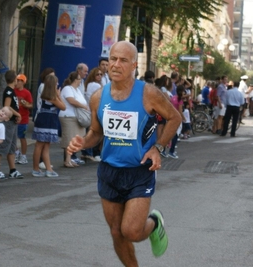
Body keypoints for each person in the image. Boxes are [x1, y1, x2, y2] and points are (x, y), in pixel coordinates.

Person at [67, 41, 181, 266]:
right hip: (109, 170)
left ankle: (154, 223)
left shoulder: (148, 94)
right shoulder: (98, 97)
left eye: (123, 60)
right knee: (116, 233)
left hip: (140, 169)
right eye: (113, 59)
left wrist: (157, 147)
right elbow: (96, 133)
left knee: (130, 231)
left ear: (133, 65)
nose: (116, 64)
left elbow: (175, 117)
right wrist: (83, 142)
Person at [31, 75, 66, 177]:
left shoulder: (45, 95)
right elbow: (63, 107)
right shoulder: (52, 97)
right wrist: (59, 95)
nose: (57, 85)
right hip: (47, 121)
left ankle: (48, 169)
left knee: (45, 145)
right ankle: (36, 168)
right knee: (40, 145)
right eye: (56, 83)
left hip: (45, 119)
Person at [58, 71, 88, 167]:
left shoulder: (77, 90)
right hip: (68, 116)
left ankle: (71, 159)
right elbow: (71, 100)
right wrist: (84, 107)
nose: (81, 81)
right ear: (76, 80)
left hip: (76, 117)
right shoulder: (67, 88)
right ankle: (67, 160)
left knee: (75, 139)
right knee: (69, 139)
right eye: (80, 79)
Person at [0, 70, 23, 179]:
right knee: (3, 145)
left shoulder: (13, 91)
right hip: (8, 123)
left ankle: (12, 169)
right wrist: (17, 114)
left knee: (12, 146)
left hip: (12, 122)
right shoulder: (8, 92)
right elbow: (7, 107)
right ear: (14, 79)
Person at [35, 68, 55, 170]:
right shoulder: (43, 86)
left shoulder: (48, 87)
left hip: (48, 116)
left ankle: (44, 162)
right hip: (43, 115)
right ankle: (39, 163)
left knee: (46, 143)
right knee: (41, 142)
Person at [81, 67, 103, 162]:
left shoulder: (88, 84)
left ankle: (87, 152)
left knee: (89, 132)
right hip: (95, 111)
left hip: (90, 111)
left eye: (101, 74)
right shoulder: (95, 85)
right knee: (95, 133)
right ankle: (92, 153)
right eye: (97, 74)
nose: (99, 76)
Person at [14, 74, 33, 165]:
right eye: (16, 80)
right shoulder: (13, 91)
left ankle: (24, 155)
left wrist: (26, 104)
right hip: (14, 118)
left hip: (23, 118)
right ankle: (17, 152)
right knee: (13, 137)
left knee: (22, 137)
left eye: (19, 80)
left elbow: (30, 105)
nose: (17, 82)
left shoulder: (27, 93)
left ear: (23, 82)